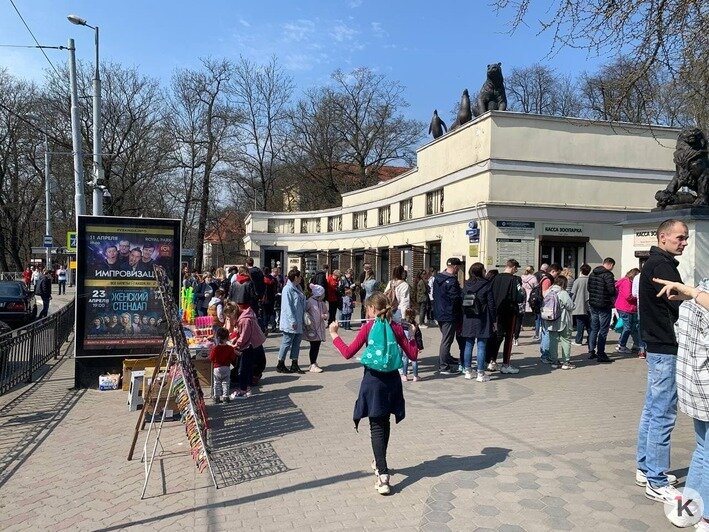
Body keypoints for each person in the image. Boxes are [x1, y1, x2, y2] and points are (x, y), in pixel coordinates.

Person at [328, 292, 418, 495]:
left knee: (376, 427)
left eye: (368, 309)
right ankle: (380, 463)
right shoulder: (396, 327)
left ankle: (383, 474)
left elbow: (348, 352)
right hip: (392, 382)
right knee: (384, 424)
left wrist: (334, 335)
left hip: (373, 382)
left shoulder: (368, 327)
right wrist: (411, 335)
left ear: (371, 309)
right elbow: (412, 355)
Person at [636, 219, 688, 504]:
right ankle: (656, 479)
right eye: (680, 238)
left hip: (657, 343)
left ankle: (645, 469)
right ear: (663, 237)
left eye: (686, 238)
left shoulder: (654, 263)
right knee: (663, 413)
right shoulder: (662, 266)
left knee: (653, 408)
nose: (684, 242)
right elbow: (679, 302)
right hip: (665, 345)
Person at [669, 277, 709, 528]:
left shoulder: (693, 297)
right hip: (705, 384)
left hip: (691, 384)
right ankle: (705, 518)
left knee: (703, 449)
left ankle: (687, 508)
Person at [487, 259, 524, 374]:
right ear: (513, 267)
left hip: (496, 311)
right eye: (516, 268)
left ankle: (491, 361)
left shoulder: (495, 278)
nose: (516, 270)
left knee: (496, 337)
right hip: (509, 311)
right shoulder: (515, 280)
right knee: (508, 337)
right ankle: (506, 364)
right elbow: (519, 296)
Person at [461, 262, 496, 382]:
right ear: (481, 271)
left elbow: (462, 300)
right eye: (484, 270)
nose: (485, 272)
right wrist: (494, 320)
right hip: (483, 317)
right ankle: (481, 373)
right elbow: (491, 303)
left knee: (468, 344)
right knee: (481, 345)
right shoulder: (487, 285)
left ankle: (468, 371)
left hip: (468, 317)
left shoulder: (466, 284)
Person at [230, 302, 267, 398]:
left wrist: (236, 345)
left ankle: (243, 390)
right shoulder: (245, 316)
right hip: (252, 343)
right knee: (248, 367)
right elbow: (242, 334)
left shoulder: (244, 320)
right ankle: (247, 387)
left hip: (249, 345)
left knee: (243, 368)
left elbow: (244, 336)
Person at [433, 258, 463, 374]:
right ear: (455, 267)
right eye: (459, 267)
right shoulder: (452, 280)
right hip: (449, 314)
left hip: (439, 312)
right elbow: (455, 298)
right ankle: (444, 366)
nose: (459, 270)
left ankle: (447, 358)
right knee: (447, 340)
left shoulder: (437, 278)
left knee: (446, 338)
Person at [587, 258, 617, 363]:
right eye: (613, 266)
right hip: (604, 304)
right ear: (610, 264)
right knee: (603, 330)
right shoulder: (608, 275)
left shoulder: (592, 273)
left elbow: (589, 288)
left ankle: (591, 351)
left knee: (594, 328)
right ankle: (601, 353)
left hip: (593, 304)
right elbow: (611, 290)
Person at [277, 269, 306, 374]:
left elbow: (302, 303)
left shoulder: (298, 288)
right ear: (295, 277)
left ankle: (294, 363)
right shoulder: (287, 289)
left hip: (299, 319)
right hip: (291, 321)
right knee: (287, 341)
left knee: (297, 343)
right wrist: (293, 321)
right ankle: (280, 363)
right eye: (299, 276)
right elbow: (287, 307)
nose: (301, 278)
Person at [546, 275, 576, 370]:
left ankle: (554, 361)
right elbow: (570, 306)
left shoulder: (549, 292)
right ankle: (566, 362)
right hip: (563, 320)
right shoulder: (563, 293)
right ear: (564, 283)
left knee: (553, 341)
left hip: (550, 320)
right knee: (565, 340)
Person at [614, 268, 641, 355]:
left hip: (628, 307)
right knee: (628, 327)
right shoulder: (627, 282)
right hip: (625, 307)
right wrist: (638, 297)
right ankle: (621, 345)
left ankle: (636, 344)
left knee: (633, 327)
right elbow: (628, 296)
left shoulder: (626, 281)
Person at [537, 264, 560, 361]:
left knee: (545, 331)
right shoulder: (547, 280)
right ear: (553, 271)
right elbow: (545, 295)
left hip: (544, 309)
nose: (557, 276)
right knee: (547, 332)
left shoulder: (543, 278)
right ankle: (545, 355)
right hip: (547, 309)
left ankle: (544, 353)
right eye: (557, 273)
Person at [304, 283, 328, 373]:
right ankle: (312, 364)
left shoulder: (322, 303)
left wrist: (325, 316)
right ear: (319, 294)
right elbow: (305, 311)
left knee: (317, 345)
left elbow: (327, 312)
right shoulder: (310, 301)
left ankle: (313, 362)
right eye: (323, 294)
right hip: (312, 327)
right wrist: (307, 318)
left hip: (320, 328)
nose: (324, 295)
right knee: (314, 345)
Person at [209, 327, 236, 404]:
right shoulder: (230, 348)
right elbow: (233, 357)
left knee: (216, 382)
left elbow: (211, 358)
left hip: (217, 367)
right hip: (226, 367)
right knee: (226, 383)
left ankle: (216, 397)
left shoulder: (215, 348)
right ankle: (225, 397)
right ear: (227, 338)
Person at [400, 307, 423, 382]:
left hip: (404, 343)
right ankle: (415, 376)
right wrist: (420, 347)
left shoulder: (402, 323)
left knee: (404, 359)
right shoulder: (415, 324)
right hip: (413, 344)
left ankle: (404, 375)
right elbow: (418, 336)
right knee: (414, 360)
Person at [571, 264, 591, 346]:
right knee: (589, 324)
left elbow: (573, 293)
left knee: (580, 324)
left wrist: (571, 303)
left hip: (579, 305)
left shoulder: (578, 281)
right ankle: (590, 340)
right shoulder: (590, 280)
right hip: (589, 305)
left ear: (581, 271)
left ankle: (578, 340)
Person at [518, 266, 538, 342]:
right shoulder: (533, 278)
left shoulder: (522, 277)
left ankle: (521, 325)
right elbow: (536, 286)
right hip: (530, 294)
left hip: (523, 294)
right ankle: (533, 325)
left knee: (522, 310)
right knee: (532, 310)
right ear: (532, 271)